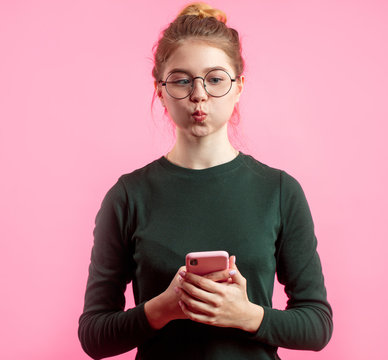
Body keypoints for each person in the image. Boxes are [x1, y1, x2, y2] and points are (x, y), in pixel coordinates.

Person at [78, 3, 333, 359]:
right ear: (161, 90)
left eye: (215, 79)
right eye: (182, 80)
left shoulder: (279, 191)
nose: (199, 94)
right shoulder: (127, 196)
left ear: (239, 86)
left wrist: (246, 316)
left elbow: (317, 324)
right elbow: (93, 334)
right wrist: (162, 309)